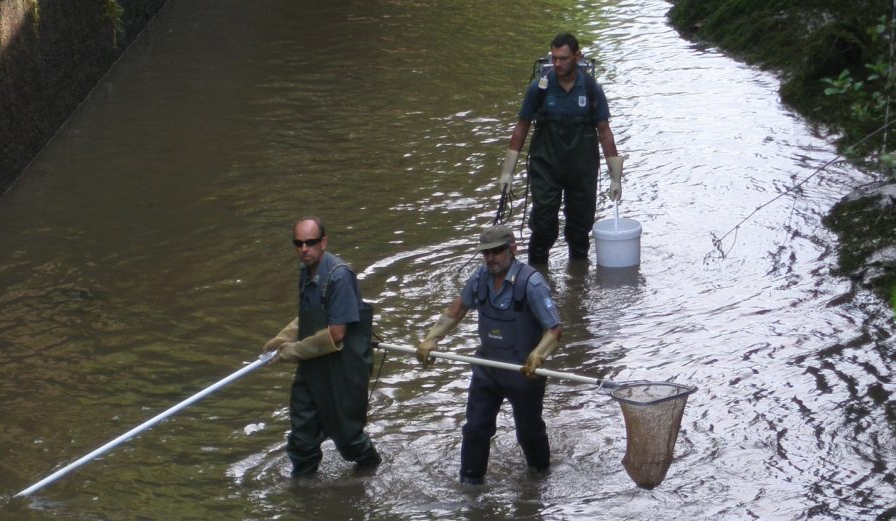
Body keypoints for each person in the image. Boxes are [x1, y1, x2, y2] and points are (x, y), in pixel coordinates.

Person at [415, 224, 563, 484]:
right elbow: (456, 311)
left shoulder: (532, 284)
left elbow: (554, 329)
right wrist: (431, 339)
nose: (490, 258)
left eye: (496, 251)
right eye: (486, 253)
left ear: (512, 250)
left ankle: (541, 479)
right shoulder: (479, 278)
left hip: (523, 373)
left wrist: (538, 355)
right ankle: (470, 483)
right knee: (475, 429)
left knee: (528, 432)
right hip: (487, 370)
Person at [262, 217, 381, 476]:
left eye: (311, 242)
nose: (304, 249)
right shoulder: (305, 273)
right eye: (299, 243)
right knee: (302, 434)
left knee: (348, 438)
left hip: (343, 370)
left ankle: (370, 471)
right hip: (312, 367)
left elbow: (336, 333)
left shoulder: (339, 276)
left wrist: (290, 353)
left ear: (323, 243)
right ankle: (303, 490)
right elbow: (308, 315)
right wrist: (282, 338)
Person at [498, 32, 624, 263]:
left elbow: (604, 132)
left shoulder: (590, 89)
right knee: (543, 224)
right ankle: (536, 277)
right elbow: (521, 127)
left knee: (580, 228)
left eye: (563, 58)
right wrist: (507, 172)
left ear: (577, 57)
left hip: (582, 170)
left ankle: (578, 281)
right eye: (554, 58)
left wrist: (615, 177)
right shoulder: (540, 88)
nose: (557, 63)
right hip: (546, 168)